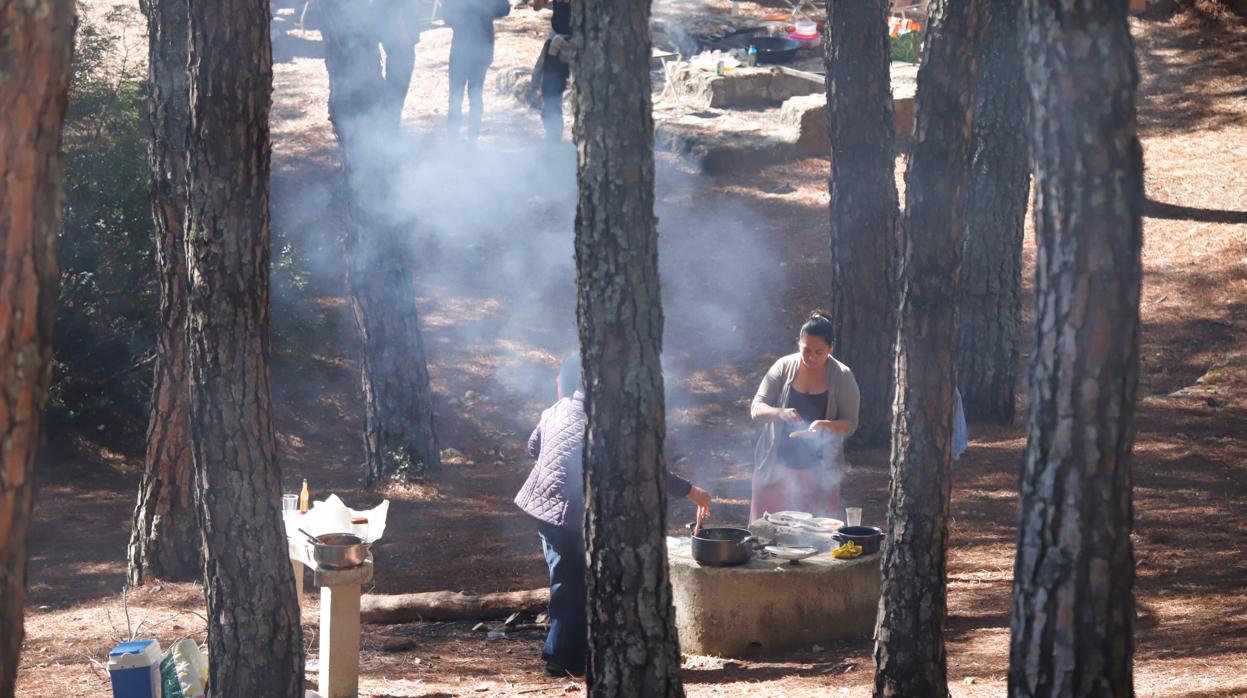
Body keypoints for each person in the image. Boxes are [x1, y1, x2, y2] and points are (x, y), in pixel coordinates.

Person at [515, 354, 712, 677]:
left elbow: (533, 447)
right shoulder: (612, 424)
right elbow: (648, 469)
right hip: (574, 515)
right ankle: (563, 659)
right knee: (580, 583)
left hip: (546, 510)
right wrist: (692, 491)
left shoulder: (556, 410)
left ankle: (575, 652)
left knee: (568, 580)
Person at [748, 311, 860, 521]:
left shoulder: (842, 376)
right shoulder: (783, 367)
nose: (811, 357)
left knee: (816, 532)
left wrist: (826, 425)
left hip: (819, 473)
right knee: (767, 532)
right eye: (806, 350)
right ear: (798, 343)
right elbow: (756, 408)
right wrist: (779, 412)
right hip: (776, 469)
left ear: (830, 348)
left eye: (819, 352)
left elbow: (851, 423)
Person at [445, 0, 511, 140]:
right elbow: (447, 15)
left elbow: (505, 8)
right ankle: (453, 141)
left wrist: (488, 8)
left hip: (481, 48)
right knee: (457, 97)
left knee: (474, 96)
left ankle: (471, 141)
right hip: (462, 48)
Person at [530, 0, 572, 142]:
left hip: (585, 43)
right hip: (557, 43)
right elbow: (537, 6)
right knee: (550, 92)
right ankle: (553, 140)